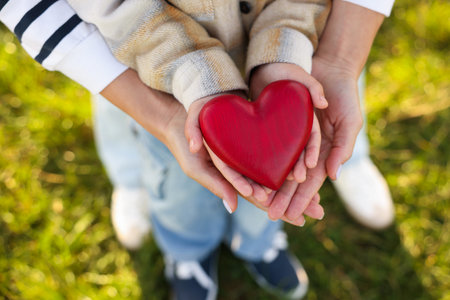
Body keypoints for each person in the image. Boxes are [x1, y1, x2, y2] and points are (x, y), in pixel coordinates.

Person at [0, 0, 395, 299]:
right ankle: (187, 251)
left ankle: (258, 242)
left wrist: (296, 47)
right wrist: (194, 75)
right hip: (159, 75)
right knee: (173, 178)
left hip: (296, 57)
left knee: (287, 168)